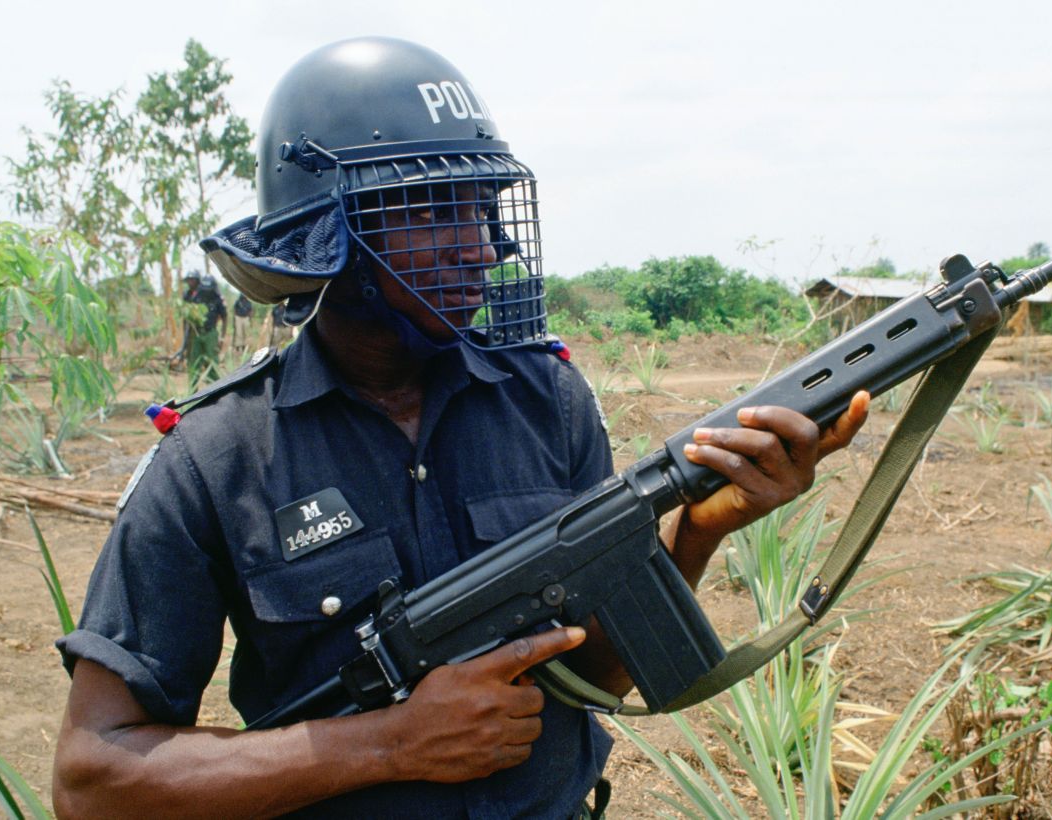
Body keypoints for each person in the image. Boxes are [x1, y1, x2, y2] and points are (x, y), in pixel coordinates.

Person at [52, 37, 869, 818]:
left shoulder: (547, 402)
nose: (481, 248)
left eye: (481, 209)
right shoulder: (217, 458)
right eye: (436, 212)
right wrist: (387, 746)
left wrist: (695, 534)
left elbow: (594, 675)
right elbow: (96, 781)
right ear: (329, 232)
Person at [179, 269, 228, 388]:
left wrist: (222, 337)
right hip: (195, 334)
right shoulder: (194, 297)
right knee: (194, 363)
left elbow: (225, 317)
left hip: (210, 333)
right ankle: (192, 391)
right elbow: (187, 318)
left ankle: (214, 390)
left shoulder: (217, 299)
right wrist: (186, 340)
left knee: (212, 363)